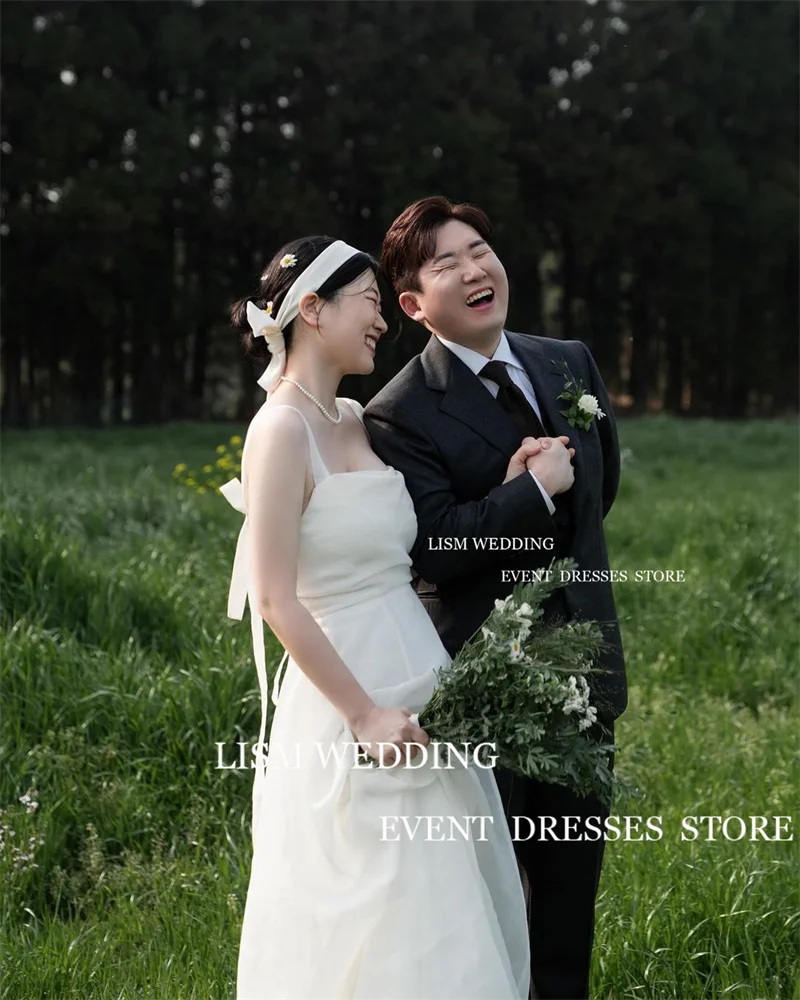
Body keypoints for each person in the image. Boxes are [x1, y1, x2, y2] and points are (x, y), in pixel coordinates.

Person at [222, 235, 536, 999]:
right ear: (311, 309)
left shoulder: (357, 417)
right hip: (347, 700)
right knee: (373, 904)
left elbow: (416, 539)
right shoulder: (279, 431)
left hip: (421, 677)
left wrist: (515, 482)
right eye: (367, 301)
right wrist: (363, 715)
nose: (380, 321)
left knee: (443, 903)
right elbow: (273, 597)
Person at [363, 196, 628, 1000]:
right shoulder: (398, 412)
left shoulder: (566, 361)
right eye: (448, 262)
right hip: (484, 686)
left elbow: (601, 486)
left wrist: (553, 496)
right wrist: (528, 496)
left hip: (584, 671)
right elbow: (434, 546)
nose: (476, 269)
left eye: (480, 249)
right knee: (488, 900)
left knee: (569, 898)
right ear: (413, 304)